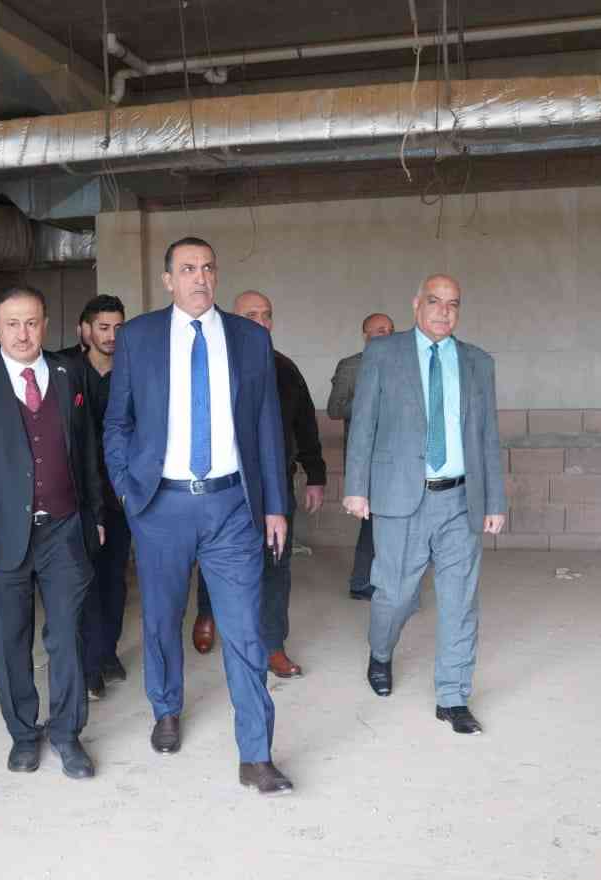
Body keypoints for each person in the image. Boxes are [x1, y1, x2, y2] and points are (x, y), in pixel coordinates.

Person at [104, 236, 294, 795]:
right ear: (168, 280)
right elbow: (118, 422)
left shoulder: (249, 339)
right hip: (160, 504)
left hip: (231, 504)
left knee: (244, 629)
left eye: (208, 267)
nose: (200, 278)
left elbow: (267, 425)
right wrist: (127, 491)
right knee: (162, 618)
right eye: (187, 269)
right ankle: (166, 708)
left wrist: (275, 504)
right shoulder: (138, 337)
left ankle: (256, 753)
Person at [0, 286, 105, 779]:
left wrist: (95, 515)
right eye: (12, 323)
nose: (23, 333)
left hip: (64, 530)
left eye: (32, 322)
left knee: (67, 635)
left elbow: (87, 452)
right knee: (10, 641)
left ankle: (67, 733)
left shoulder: (69, 373)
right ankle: (24, 735)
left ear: (45, 323)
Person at [342, 274, 506, 735]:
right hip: (400, 497)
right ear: (416, 304)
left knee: (460, 601)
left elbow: (487, 436)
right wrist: (356, 487)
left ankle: (453, 697)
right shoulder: (383, 354)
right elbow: (364, 424)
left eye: (453, 304)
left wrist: (495, 499)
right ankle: (380, 652)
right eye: (434, 301)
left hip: (461, 498)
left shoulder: (478, 362)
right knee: (394, 596)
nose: (443, 311)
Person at [193, 291, 325, 678]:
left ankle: (273, 645)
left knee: (275, 565)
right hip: (225, 487)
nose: (261, 322)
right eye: (252, 315)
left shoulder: (285, 369)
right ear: (233, 320)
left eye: (267, 315)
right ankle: (206, 614)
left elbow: (305, 426)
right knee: (217, 557)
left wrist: (315, 475)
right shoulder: (213, 363)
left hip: (274, 486)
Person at [69, 295, 129, 701]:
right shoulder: (66, 372)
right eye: (103, 327)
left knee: (114, 577)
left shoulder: (132, 371)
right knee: (83, 579)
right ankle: (89, 664)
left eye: (118, 327)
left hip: (120, 494)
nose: (111, 336)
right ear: (85, 329)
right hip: (76, 495)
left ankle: (107, 652)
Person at [327, 313, 396, 601]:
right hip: (366, 457)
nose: (386, 334)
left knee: (391, 520)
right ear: (365, 335)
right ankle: (363, 581)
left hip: (399, 458)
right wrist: (369, 401)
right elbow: (335, 408)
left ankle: (378, 580)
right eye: (379, 330)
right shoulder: (351, 366)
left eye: (390, 330)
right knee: (372, 521)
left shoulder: (405, 364)